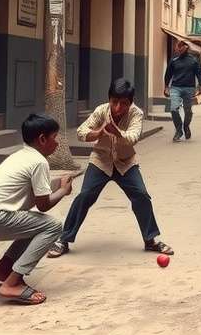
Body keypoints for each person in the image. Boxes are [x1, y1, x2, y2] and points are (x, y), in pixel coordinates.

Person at [47, 78, 174, 258]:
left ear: (130, 103)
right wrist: (98, 133)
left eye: (124, 103)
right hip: (100, 161)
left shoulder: (136, 113)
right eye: (114, 102)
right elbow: (81, 132)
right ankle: (64, 240)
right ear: (109, 99)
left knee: (141, 195)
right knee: (84, 196)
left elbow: (133, 137)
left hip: (126, 162)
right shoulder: (101, 111)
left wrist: (117, 133)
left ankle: (150, 240)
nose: (118, 108)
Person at [0, 113, 73, 305]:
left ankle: (4, 267)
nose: (57, 143)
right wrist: (64, 191)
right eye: (54, 137)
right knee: (53, 226)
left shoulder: (20, 155)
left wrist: (58, 184)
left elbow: (35, 192)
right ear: (42, 139)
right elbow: (43, 205)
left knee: (34, 223)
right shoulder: (40, 162)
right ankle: (12, 282)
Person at [164, 40, 201, 142]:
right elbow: (168, 74)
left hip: (189, 88)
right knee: (173, 109)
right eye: (179, 47)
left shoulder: (193, 60)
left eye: (183, 47)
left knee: (188, 111)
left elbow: (199, 74)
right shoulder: (174, 60)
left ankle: (186, 126)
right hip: (176, 87)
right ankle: (179, 130)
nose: (180, 48)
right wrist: (166, 87)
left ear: (186, 48)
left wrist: (200, 86)